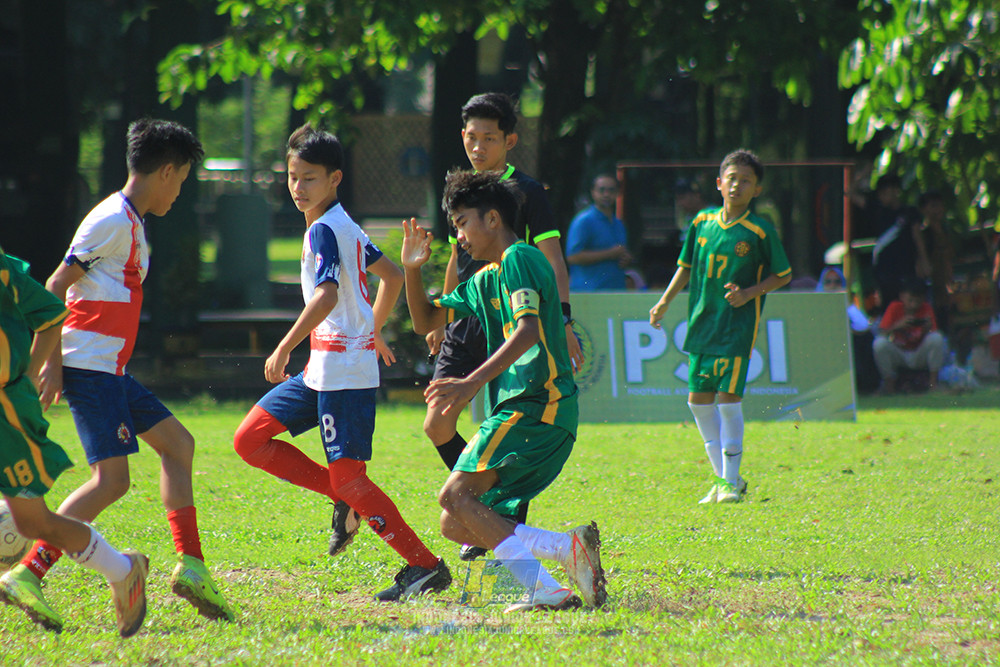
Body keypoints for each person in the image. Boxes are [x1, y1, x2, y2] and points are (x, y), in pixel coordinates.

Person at [14, 118, 234, 623]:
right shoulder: (112, 219)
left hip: (109, 368)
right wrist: (47, 363)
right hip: (90, 367)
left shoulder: (131, 220)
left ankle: (193, 566)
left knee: (179, 445)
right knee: (111, 481)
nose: (179, 192)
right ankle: (29, 571)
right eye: (181, 181)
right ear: (167, 171)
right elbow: (54, 285)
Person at [232, 124, 451, 602]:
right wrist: (368, 331)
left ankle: (424, 566)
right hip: (323, 369)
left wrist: (284, 344)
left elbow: (328, 295)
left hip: (343, 375)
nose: (297, 187)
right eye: (292, 177)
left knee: (351, 477)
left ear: (335, 179)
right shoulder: (338, 224)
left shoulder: (327, 230)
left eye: (309, 178)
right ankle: (341, 497)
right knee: (249, 439)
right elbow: (390, 276)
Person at [400, 169, 607, 611]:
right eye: (454, 225)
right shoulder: (484, 279)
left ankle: (545, 587)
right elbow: (425, 322)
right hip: (530, 412)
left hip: (537, 405)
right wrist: (411, 270)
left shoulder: (519, 259)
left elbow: (528, 331)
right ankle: (563, 551)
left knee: (454, 496)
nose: (459, 236)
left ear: (493, 219)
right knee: (455, 521)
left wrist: (471, 382)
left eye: (462, 223)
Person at [424, 92, 583, 561]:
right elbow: (456, 258)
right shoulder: (461, 193)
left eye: (488, 138)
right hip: (473, 312)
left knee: (508, 424)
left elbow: (550, 260)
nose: (478, 146)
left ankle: (493, 512)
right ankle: (486, 509)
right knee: (437, 422)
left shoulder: (524, 203)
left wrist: (564, 317)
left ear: (509, 141)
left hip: (513, 312)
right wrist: (443, 317)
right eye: (471, 137)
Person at [0, 249, 148, 637]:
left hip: (8, 415)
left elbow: (51, 314)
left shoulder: (4, 273)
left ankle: (123, 570)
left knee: (33, 522)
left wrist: (30, 377)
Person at [649, 149, 792, 504]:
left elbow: (783, 274)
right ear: (719, 183)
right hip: (701, 323)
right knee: (698, 402)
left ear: (756, 190)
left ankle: (728, 483)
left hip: (736, 327)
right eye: (732, 179)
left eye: (746, 181)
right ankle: (725, 479)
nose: (737, 186)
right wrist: (665, 301)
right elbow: (685, 266)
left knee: (728, 401)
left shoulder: (759, 231)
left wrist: (749, 294)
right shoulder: (701, 223)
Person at [857, 174, 928, 305]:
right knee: (889, 305)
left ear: (896, 191)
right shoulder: (877, 211)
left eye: (886, 192)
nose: (882, 197)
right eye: (881, 194)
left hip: (907, 267)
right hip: (884, 270)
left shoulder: (910, 212)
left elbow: (918, 238)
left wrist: (923, 261)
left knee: (910, 302)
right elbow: (852, 195)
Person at [873, 278, 947, 394]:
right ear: (902, 296)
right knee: (880, 344)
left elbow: (934, 338)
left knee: (937, 337)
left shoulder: (926, 308)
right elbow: (881, 333)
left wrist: (927, 329)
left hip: (919, 353)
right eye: (910, 300)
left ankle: (933, 384)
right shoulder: (894, 307)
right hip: (899, 353)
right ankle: (889, 387)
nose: (913, 305)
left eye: (917, 301)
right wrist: (898, 325)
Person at [817, 266, 881, 394]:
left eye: (837, 282)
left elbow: (864, 327)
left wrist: (845, 305)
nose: (833, 285)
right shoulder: (815, 307)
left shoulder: (849, 307)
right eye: (828, 282)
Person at [566, 174, 631, 290]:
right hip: (588, 293)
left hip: (616, 291)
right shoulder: (584, 221)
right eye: (601, 190)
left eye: (611, 190)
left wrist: (625, 258)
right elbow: (573, 256)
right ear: (593, 192)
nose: (606, 194)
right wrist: (610, 253)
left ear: (617, 193)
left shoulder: (619, 224)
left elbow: (619, 253)